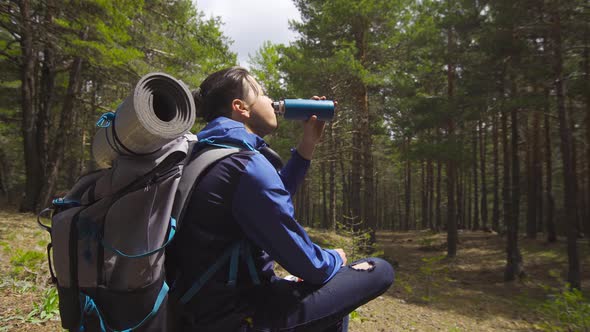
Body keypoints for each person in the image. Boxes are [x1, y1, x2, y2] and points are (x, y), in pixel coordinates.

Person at [167, 66, 394, 332]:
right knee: (378, 270)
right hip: (238, 315)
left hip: (197, 309)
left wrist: (307, 145)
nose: (272, 101)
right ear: (241, 108)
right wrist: (334, 257)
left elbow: (265, 201)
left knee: (330, 304)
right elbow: (310, 266)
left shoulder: (207, 154)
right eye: (262, 94)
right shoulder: (246, 164)